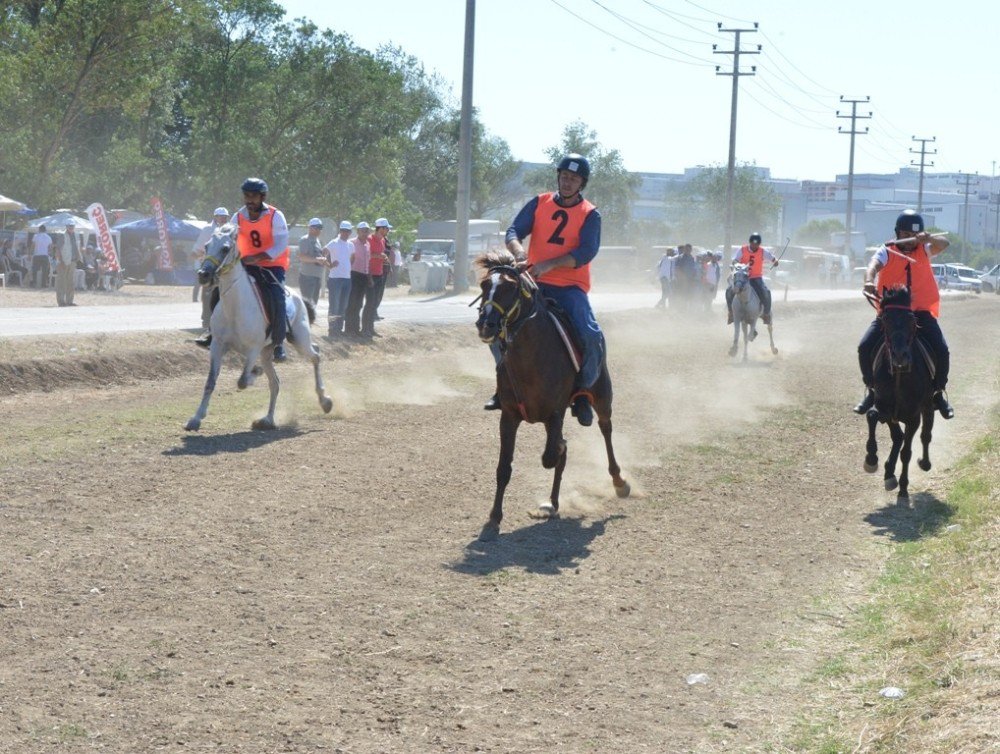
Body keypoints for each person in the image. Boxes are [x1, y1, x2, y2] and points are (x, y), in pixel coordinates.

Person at [498, 152, 604, 426]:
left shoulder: (590, 214)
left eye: (574, 179)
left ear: (582, 183)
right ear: (558, 177)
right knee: (495, 321)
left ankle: (582, 393)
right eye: (564, 177)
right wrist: (520, 253)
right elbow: (513, 231)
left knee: (593, 336)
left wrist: (548, 265)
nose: (567, 182)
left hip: (570, 289)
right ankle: (505, 385)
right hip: (533, 283)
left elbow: (586, 252)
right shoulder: (539, 202)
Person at [853, 210, 953, 419]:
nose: (910, 240)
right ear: (898, 233)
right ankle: (871, 391)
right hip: (892, 314)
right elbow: (872, 266)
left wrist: (930, 237)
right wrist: (869, 281)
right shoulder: (887, 250)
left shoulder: (925, 249)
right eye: (905, 233)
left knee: (942, 349)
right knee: (864, 347)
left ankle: (938, 393)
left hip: (921, 313)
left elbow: (944, 243)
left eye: (914, 234)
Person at [224, 177, 291, 361]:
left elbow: (280, 245)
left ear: (262, 197)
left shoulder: (276, 215)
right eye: (246, 196)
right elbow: (228, 239)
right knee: (221, 290)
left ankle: (278, 343)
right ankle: (215, 331)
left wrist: (258, 257)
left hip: (272, 265)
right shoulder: (237, 216)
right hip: (246, 264)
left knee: (277, 297)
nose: (249, 200)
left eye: (253, 196)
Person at [192, 207, 230, 343]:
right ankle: (206, 321)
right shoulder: (208, 229)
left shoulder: (229, 230)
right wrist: (204, 260)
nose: (223, 219)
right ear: (215, 217)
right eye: (220, 216)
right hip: (209, 265)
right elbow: (197, 250)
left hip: (223, 267)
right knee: (208, 292)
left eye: (225, 217)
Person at [726, 232, 777, 324]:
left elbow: (772, 258)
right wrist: (736, 264)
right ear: (750, 243)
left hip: (756, 277)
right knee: (729, 291)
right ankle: (731, 313)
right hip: (743, 277)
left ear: (759, 244)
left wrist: (775, 261)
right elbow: (735, 260)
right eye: (753, 244)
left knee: (766, 292)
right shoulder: (742, 250)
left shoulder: (762, 251)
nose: (754, 246)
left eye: (756, 244)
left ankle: (766, 314)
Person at [324, 220, 354, 338]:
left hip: (347, 279)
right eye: (344, 231)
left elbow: (353, 257)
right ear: (340, 231)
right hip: (335, 279)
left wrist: (348, 267)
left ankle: (338, 329)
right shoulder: (334, 242)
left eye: (348, 231)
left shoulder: (350, 245)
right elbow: (323, 253)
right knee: (334, 305)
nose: (346, 233)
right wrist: (329, 265)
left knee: (343, 306)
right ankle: (332, 330)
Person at [344, 221, 373, 339]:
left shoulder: (367, 245)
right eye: (363, 231)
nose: (365, 233)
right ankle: (348, 329)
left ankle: (356, 329)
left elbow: (368, 262)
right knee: (352, 303)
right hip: (353, 274)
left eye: (367, 231)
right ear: (358, 231)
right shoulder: (351, 243)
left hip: (363, 276)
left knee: (359, 303)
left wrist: (369, 277)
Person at [365, 217, 391, 335]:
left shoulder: (382, 240)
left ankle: (371, 328)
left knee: (375, 302)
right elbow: (366, 255)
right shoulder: (369, 239)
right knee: (370, 302)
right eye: (386, 228)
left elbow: (380, 254)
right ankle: (366, 328)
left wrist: (384, 259)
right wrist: (378, 256)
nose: (388, 230)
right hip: (370, 274)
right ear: (380, 228)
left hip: (379, 273)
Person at [297, 217, 326, 307]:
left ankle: (311, 321)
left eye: (320, 228)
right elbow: (302, 257)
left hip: (316, 277)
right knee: (308, 305)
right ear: (310, 228)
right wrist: (316, 259)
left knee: (313, 304)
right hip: (307, 277)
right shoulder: (305, 240)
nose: (318, 230)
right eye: (316, 227)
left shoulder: (317, 241)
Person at [55, 220, 83, 306]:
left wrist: (79, 257)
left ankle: (69, 301)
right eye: (69, 226)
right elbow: (58, 249)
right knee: (61, 282)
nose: (71, 228)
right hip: (63, 261)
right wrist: (60, 260)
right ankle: (61, 301)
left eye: (72, 226)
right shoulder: (62, 235)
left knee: (70, 282)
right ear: (66, 227)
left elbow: (77, 247)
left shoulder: (76, 235)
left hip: (73, 261)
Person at [31, 225, 53, 289]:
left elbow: (32, 246)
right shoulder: (49, 237)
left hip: (37, 255)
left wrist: (30, 254)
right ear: (45, 230)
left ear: (39, 229)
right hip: (45, 255)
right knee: (45, 271)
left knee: (35, 270)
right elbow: (50, 248)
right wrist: (49, 253)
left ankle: (34, 283)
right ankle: (44, 284)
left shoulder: (35, 236)